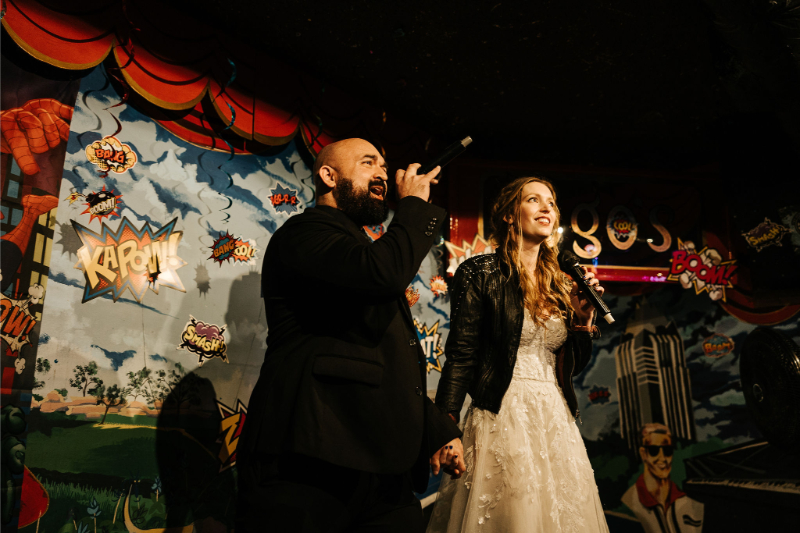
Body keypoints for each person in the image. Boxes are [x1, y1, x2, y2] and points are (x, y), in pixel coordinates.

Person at [236, 138, 464, 533]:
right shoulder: (304, 233)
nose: (381, 173)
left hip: (377, 464)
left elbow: (380, 358)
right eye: (367, 162)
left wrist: (437, 431)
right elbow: (382, 275)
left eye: (383, 164)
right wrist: (412, 207)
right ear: (328, 175)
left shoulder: (365, 250)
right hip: (313, 461)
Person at [427, 176, 609, 533]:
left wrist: (583, 323)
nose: (546, 208)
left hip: (555, 417)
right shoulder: (479, 272)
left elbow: (571, 367)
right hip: (502, 412)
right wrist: (444, 430)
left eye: (551, 202)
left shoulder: (562, 281)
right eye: (534, 200)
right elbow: (461, 356)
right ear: (511, 214)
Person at [621, 423, 704, 533]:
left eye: (667, 450)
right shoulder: (630, 503)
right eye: (654, 450)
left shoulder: (689, 502)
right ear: (643, 454)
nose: (663, 458)